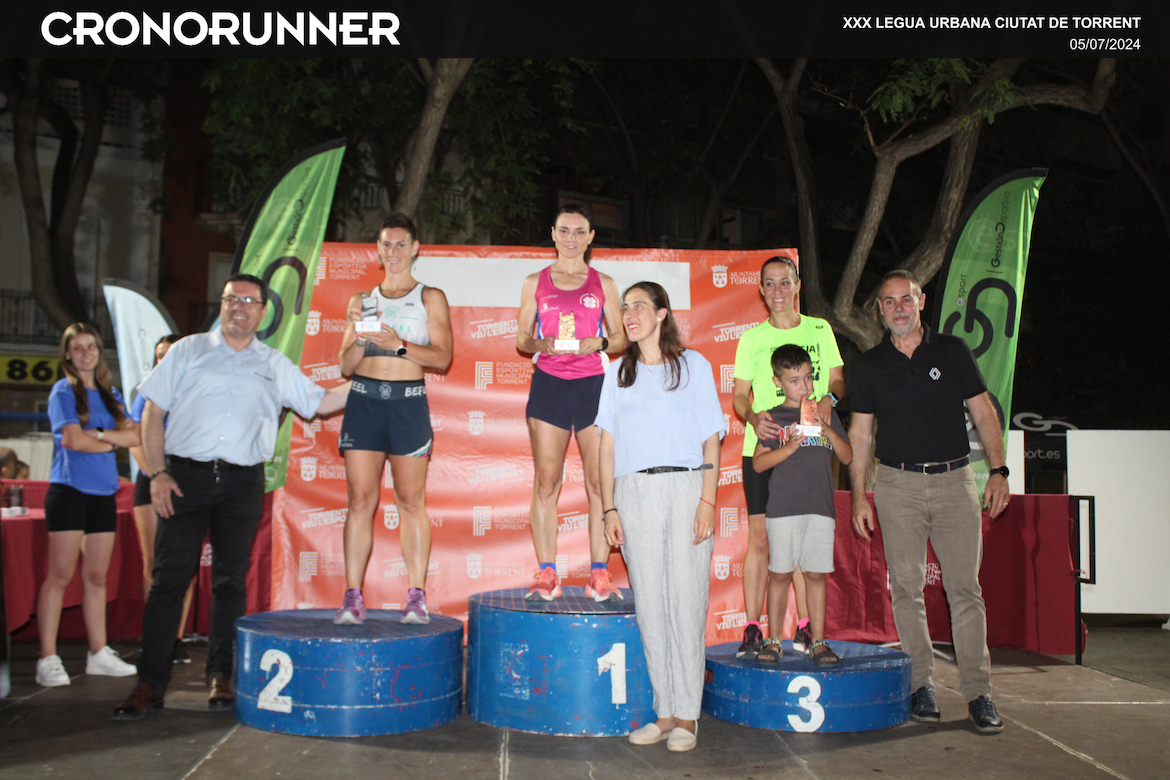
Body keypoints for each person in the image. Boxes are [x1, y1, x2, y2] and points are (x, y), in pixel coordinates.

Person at [113, 274, 350, 720]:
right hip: (183, 479)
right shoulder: (187, 351)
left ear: (262, 311)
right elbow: (153, 413)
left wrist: (378, 378)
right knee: (168, 582)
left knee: (229, 584)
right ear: (221, 305)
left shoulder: (274, 363)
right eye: (231, 299)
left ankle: (220, 676)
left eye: (248, 301)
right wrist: (158, 473)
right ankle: (149, 683)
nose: (239, 306)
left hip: (242, 484)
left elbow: (320, 403)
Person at [849, 269, 1010, 735]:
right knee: (906, 589)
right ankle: (921, 684)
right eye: (889, 301)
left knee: (965, 591)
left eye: (906, 299)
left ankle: (978, 693)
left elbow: (984, 411)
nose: (898, 308)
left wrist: (998, 470)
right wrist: (859, 495)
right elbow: (861, 435)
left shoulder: (952, 350)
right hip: (896, 485)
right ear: (880, 311)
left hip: (955, 482)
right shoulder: (871, 365)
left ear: (921, 301)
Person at [596, 282, 724, 753]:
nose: (629, 314)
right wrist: (609, 507)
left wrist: (707, 501)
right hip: (634, 492)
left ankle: (688, 715)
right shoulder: (617, 372)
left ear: (662, 313)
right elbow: (606, 445)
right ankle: (664, 712)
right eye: (624, 307)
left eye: (639, 306)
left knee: (687, 602)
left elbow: (711, 439)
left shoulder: (693, 365)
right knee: (650, 604)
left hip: (687, 489)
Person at [333, 213, 453, 626]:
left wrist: (397, 344)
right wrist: (360, 337)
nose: (394, 251)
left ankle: (416, 596)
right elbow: (345, 365)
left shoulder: (429, 297)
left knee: (411, 500)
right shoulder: (362, 300)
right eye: (387, 244)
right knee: (360, 500)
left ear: (415, 248)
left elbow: (443, 357)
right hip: (364, 401)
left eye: (401, 244)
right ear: (378, 250)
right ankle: (352, 596)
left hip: (407, 403)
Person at [732, 256, 845, 658]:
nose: (777, 290)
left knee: (802, 539)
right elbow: (739, 396)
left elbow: (837, 380)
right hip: (764, 447)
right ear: (761, 290)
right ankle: (754, 628)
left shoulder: (820, 329)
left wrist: (830, 398)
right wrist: (752, 417)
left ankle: (805, 626)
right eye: (769, 283)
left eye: (785, 282)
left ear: (798, 285)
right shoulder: (752, 339)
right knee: (763, 539)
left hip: (810, 447)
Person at [516, 203, 625, 601]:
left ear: (591, 237)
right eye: (564, 230)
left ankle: (599, 573)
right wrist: (538, 343)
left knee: (598, 482)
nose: (571, 238)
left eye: (580, 232)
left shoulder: (604, 283)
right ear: (553, 233)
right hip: (550, 384)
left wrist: (600, 342)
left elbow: (621, 338)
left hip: (593, 385)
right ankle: (547, 572)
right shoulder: (535, 282)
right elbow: (521, 339)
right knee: (547, 481)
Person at [35, 323, 140, 687]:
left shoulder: (111, 394)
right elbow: (73, 442)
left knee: (97, 577)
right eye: (77, 348)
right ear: (67, 354)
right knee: (60, 576)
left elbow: (135, 435)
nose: (85, 353)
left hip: (103, 494)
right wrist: (111, 441)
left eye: (90, 346)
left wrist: (97, 434)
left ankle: (99, 652)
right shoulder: (63, 391)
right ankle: (47, 658)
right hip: (69, 491)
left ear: (99, 351)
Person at [751, 345, 852, 665]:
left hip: (820, 508)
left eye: (808, 378)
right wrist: (789, 447)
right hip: (783, 510)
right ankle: (773, 641)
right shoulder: (773, 417)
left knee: (816, 575)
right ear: (778, 382)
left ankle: (818, 641)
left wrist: (826, 429)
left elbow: (847, 456)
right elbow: (758, 464)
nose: (804, 386)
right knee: (780, 575)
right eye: (794, 381)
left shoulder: (824, 413)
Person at [128, 334, 194, 664]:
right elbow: (134, 438)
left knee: (184, 562)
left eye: (169, 354)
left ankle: (176, 638)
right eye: (159, 355)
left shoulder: (193, 390)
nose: (163, 360)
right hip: (152, 479)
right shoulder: (146, 391)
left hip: (187, 480)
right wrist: (156, 475)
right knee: (154, 562)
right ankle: (154, 636)